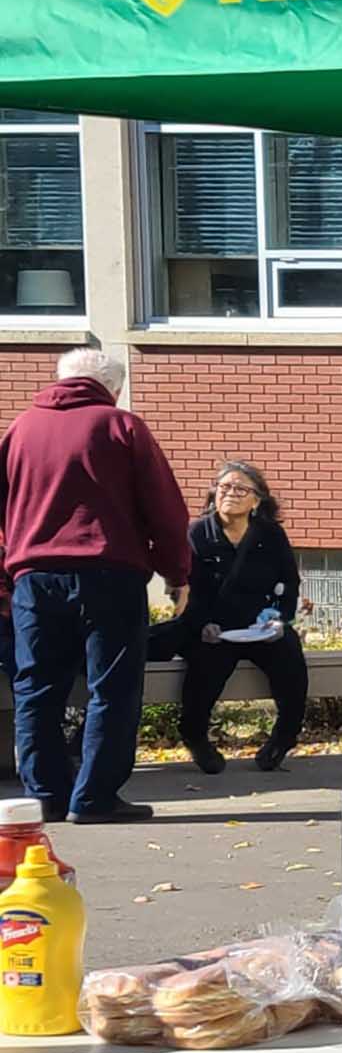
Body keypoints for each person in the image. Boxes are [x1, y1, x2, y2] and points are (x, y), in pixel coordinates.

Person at [0, 347, 191, 824]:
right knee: (113, 687)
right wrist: (177, 573)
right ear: (114, 388)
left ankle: (44, 795)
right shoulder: (121, 426)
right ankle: (95, 796)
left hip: (34, 577)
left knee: (37, 688)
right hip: (110, 573)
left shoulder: (19, 430)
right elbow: (164, 508)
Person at [176, 461, 308, 774]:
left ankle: (283, 738)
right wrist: (202, 624)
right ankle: (196, 739)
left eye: (240, 489)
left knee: (291, 662)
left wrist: (279, 618)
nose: (230, 494)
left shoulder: (271, 534)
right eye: (224, 487)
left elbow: (289, 582)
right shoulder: (198, 533)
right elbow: (186, 590)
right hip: (215, 626)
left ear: (256, 500)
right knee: (202, 672)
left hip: (261, 626)